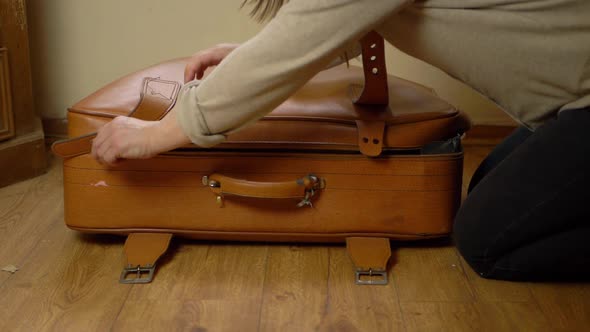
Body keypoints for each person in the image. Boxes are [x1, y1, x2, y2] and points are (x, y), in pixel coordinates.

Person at [91, 0, 590, 281]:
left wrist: (157, 134)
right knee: (490, 191)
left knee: (485, 241)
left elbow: (308, 36)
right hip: (567, 111)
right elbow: (346, 22)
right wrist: (243, 52)